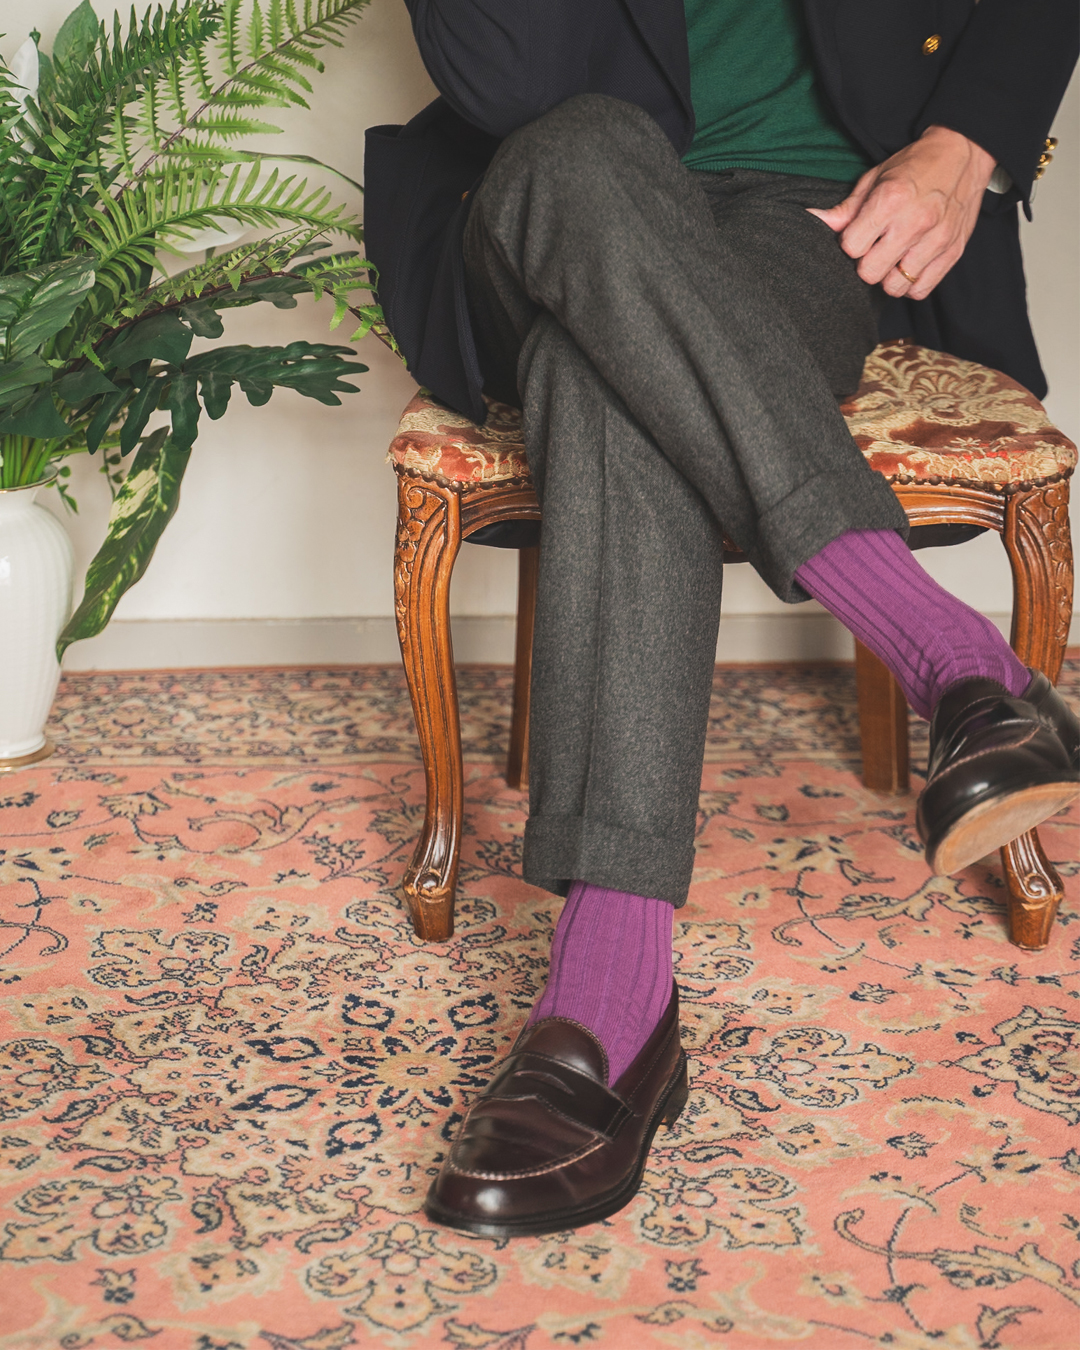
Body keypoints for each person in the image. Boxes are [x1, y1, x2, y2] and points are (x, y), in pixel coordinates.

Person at [364, 0, 1080, 1238]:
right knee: (580, 149)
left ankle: (609, 1007)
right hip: (550, 200)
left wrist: (966, 143)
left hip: (815, 220)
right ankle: (954, 657)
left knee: (603, 375)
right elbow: (510, 83)